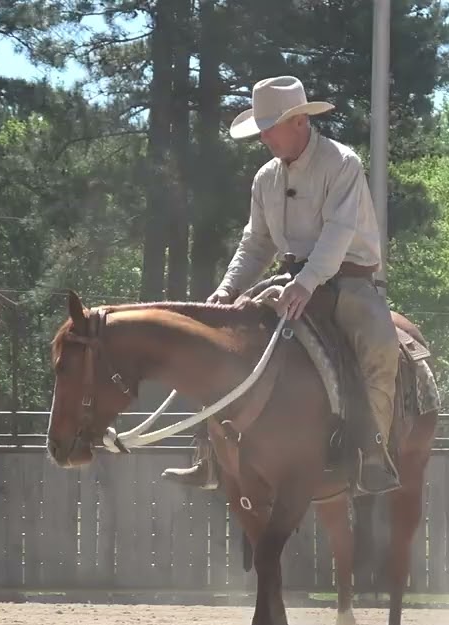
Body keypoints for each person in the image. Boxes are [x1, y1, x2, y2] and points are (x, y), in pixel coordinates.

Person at [161, 75, 401, 495]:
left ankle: (373, 452)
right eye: (261, 129)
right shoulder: (265, 178)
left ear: (299, 122)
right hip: (291, 279)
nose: (264, 138)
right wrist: (228, 290)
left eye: (269, 127)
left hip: (349, 279)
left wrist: (307, 282)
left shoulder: (341, 163)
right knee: (221, 339)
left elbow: (339, 231)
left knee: (379, 345)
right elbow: (256, 243)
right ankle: (208, 454)